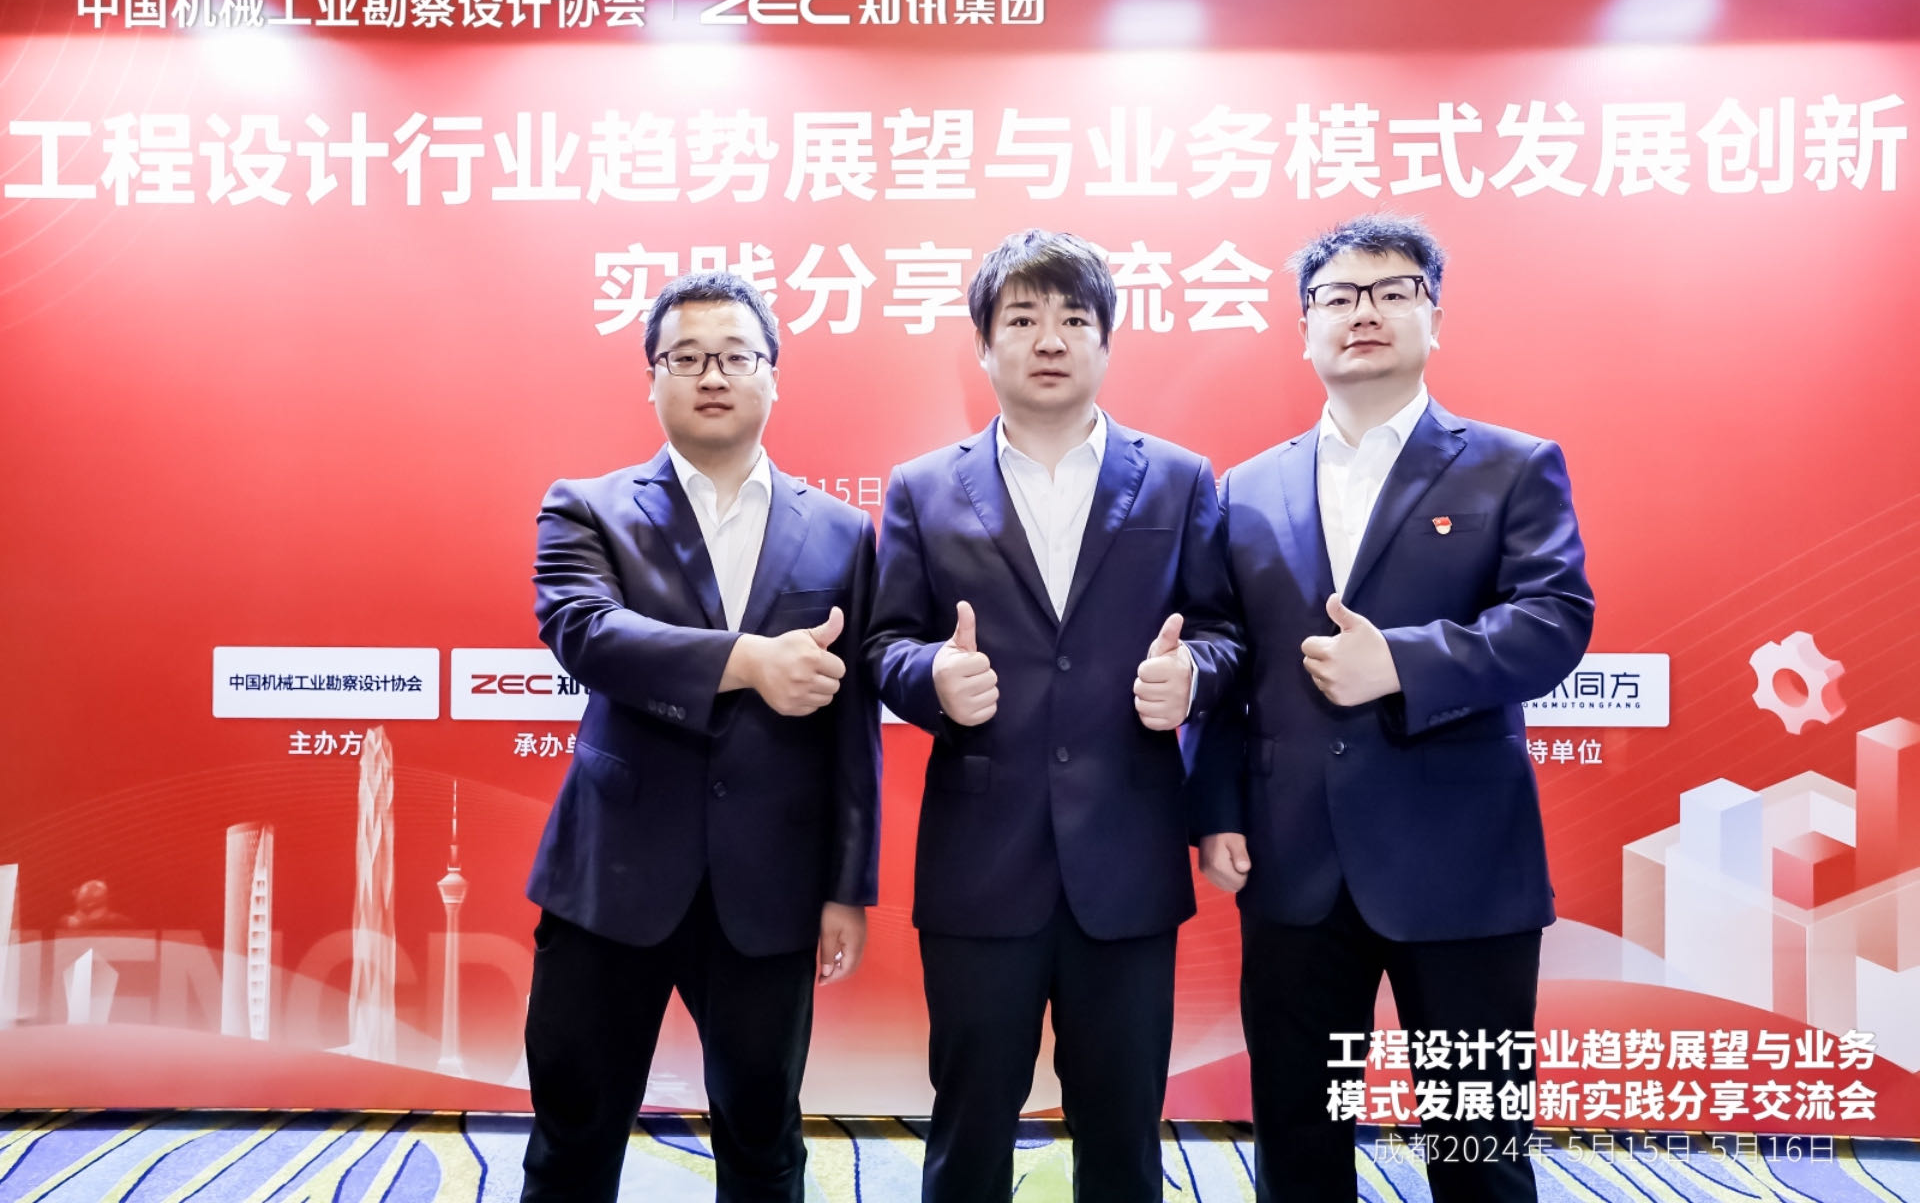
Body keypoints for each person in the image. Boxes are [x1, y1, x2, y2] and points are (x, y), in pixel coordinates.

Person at [1186, 213, 1594, 1202]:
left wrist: (1401, 664)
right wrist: (1217, 806)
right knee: (1298, 1132)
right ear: (1305, 329)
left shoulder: (1512, 464)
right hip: (1293, 860)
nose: (1363, 311)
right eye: (1337, 296)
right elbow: (1227, 657)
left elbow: (1555, 619)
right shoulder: (1246, 487)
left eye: (1392, 291)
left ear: (1433, 317)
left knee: (1477, 1142)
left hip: (1463, 861)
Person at [865, 229, 1241, 1203]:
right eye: (1022, 318)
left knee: (1123, 1135)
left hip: (1126, 860)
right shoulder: (921, 487)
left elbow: (1224, 631)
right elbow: (883, 643)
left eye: (1075, 318)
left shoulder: (1179, 479)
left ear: (1106, 342)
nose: (1049, 339)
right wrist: (931, 677)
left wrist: (1194, 676)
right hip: (980, 865)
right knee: (970, 1128)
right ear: (982, 345)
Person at [521, 271, 881, 1203]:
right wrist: (750, 661)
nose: (712, 376)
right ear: (652, 379)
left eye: (734, 356)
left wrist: (847, 886)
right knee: (571, 1137)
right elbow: (586, 633)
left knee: (763, 1140)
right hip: (609, 878)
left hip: (770, 886)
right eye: (685, 358)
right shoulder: (587, 507)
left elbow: (854, 731)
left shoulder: (844, 534)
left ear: (773, 377)